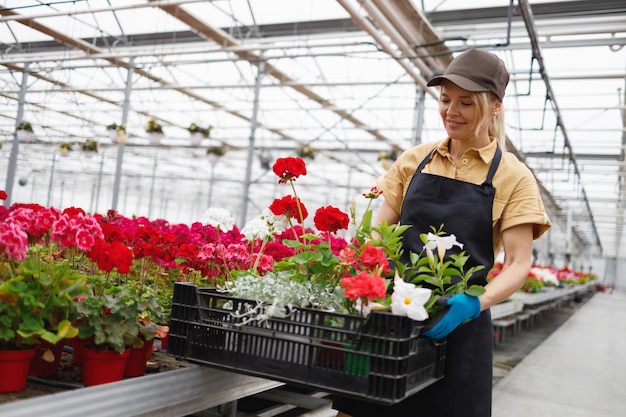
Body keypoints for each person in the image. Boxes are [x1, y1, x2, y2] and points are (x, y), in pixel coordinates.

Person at [332, 48, 551, 416]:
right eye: (445, 99)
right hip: (392, 316)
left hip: (459, 325)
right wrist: (363, 281)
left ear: (495, 106)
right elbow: (379, 236)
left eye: (465, 102)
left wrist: (474, 304)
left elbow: (517, 263)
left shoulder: (513, 176)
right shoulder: (416, 159)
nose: (451, 111)